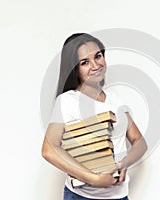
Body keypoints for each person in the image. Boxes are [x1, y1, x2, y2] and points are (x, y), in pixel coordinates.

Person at [41, 33, 148, 200]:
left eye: (98, 56)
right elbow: (49, 149)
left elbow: (139, 142)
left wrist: (124, 163)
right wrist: (93, 179)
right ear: (74, 69)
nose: (95, 65)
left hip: (119, 196)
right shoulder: (67, 101)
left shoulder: (116, 100)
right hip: (81, 196)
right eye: (84, 62)